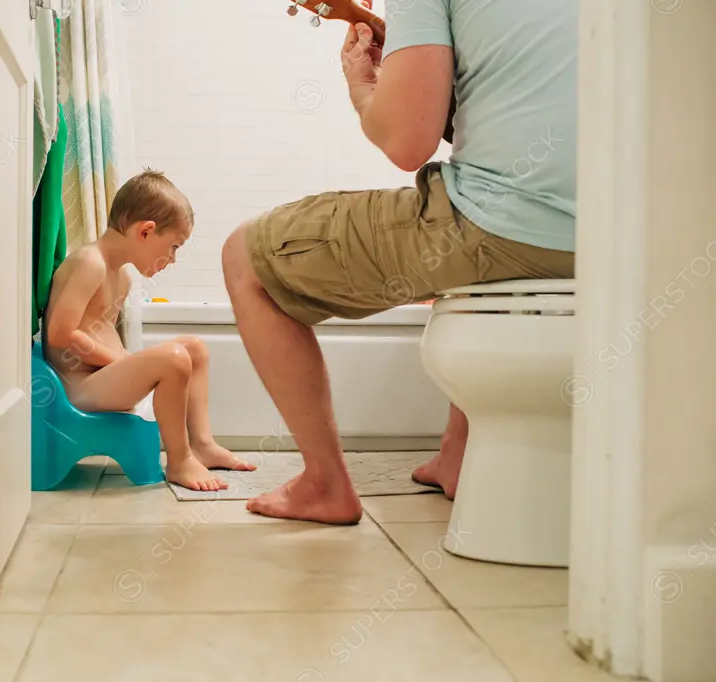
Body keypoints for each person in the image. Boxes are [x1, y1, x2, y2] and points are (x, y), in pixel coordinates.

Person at [221, 0, 578, 524]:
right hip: (631, 238)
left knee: (244, 256)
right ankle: (457, 455)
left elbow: (409, 140)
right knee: (472, 258)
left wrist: (365, 91)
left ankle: (323, 484)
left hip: (508, 227)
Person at [43, 169, 257, 492]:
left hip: (101, 377)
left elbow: (98, 335)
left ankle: (202, 444)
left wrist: (123, 361)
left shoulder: (122, 277)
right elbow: (60, 334)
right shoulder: (91, 263)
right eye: (173, 247)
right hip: (75, 389)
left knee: (194, 348)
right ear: (145, 231)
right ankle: (180, 459)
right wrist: (120, 362)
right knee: (173, 358)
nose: (172, 259)